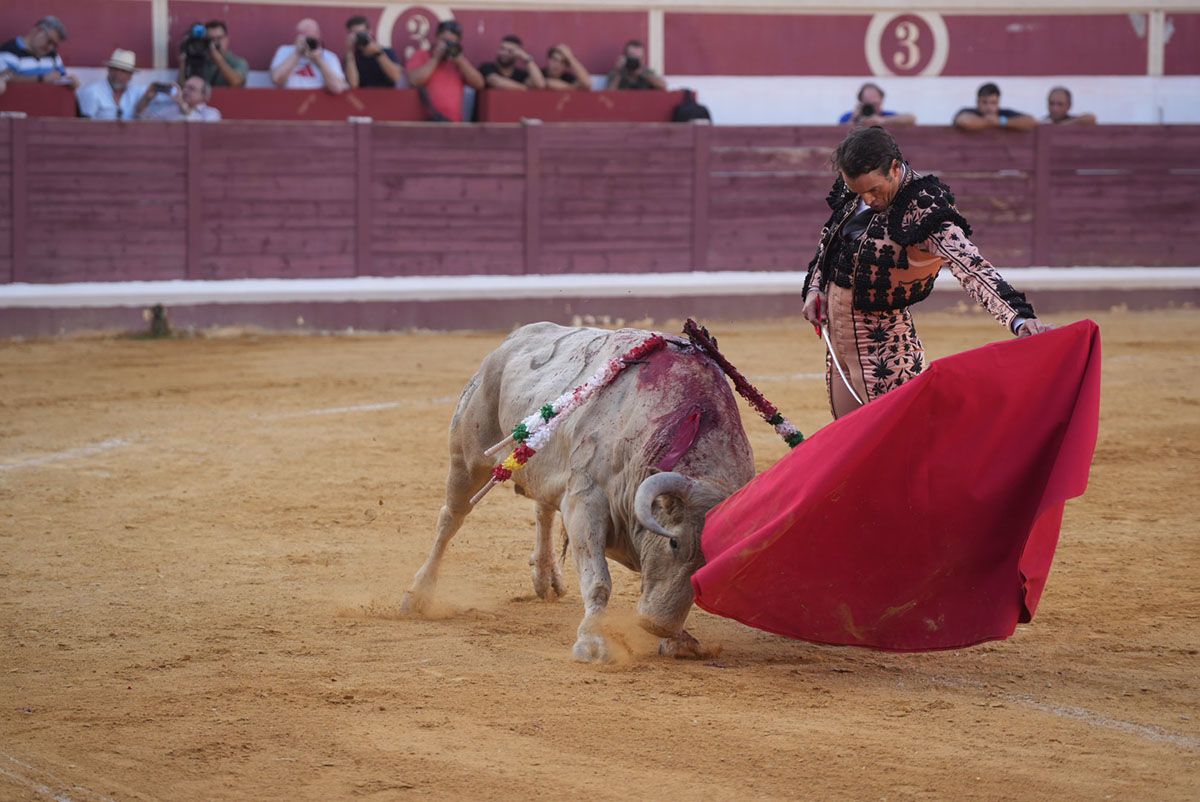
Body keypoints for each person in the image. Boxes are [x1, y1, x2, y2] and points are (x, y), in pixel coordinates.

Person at [801, 126, 1052, 419]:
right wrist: (815, 288)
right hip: (837, 344)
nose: (866, 199)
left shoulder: (923, 206)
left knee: (899, 447)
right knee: (848, 443)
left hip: (886, 350)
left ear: (894, 168)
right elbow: (829, 244)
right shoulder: (857, 187)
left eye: (874, 190)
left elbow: (969, 265)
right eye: (859, 191)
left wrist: (1018, 317)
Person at [405, 19, 484, 122]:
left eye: (451, 42)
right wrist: (436, 58)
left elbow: (479, 84)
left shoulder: (459, 62)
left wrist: (460, 61)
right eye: (444, 41)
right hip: (425, 123)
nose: (447, 45)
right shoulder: (422, 55)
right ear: (437, 38)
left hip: (452, 124)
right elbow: (414, 80)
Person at [269, 18, 347, 94]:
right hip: (290, 99)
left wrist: (320, 60)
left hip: (318, 101)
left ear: (318, 35)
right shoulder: (285, 51)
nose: (308, 40)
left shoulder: (329, 57)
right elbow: (277, 80)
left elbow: (337, 88)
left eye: (312, 35)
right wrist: (297, 53)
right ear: (297, 36)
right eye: (304, 34)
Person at [0, 16, 78, 88]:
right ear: (37, 31)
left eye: (55, 45)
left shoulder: (53, 55)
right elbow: (5, 78)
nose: (51, 48)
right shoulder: (8, 51)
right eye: (49, 41)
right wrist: (41, 79)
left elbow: (61, 77)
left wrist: (70, 82)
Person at [178, 20, 247, 89]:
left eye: (219, 38)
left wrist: (217, 58)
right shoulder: (198, 61)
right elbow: (183, 88)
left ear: (227, 39)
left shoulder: (238, 62)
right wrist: (183, 63)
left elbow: (237, 82)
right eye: (211, 39)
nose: (215, 42)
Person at [77, 49, 143, 120]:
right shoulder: (92, 92)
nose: (118, 74)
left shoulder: (135, 93)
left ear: (130, 76)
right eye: (115, 69)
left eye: (123, 71)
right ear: (108, 70)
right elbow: (85, 126)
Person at [344, 15, 402, 89]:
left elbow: (396, 77)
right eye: (355, 34)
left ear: (369, 32)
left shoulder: (387, 52)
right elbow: (353, 84)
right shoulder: (351, 57)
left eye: (362, 33)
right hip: (362, 97)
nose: (359, 37)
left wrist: (378, 53)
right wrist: (349, 51)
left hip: (387, 96)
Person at [953, 82, 1036, 132]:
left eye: (993, 103)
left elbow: (1031, 121)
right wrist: (992, 122)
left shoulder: (1004, 114)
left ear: (998, 103)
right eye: (984, 102)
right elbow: (964, 121)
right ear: (977, 103)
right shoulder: (969, 111)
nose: (988, 107)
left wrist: (1002, 121)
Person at [135, 76, 221, 121]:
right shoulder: (172, 108)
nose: (185, 91)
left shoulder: (211, 113)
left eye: (191, 88)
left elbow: (201, 128)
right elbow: (142, 118)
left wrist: (181, 103)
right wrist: (146, 98)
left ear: (205, 96)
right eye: (185, 87)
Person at [479, 35, 545, 90]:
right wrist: (524, 88)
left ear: (518, 54)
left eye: (510, 51)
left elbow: (539, 84)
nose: (504, 53)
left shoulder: (520, 74)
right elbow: (495, 81)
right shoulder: (487, 67)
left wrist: (526, 58)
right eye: (502, 49)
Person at [838, 82, 915, 127]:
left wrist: (883, 121)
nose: (872, 107)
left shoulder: (888, 116)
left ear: (881, 101)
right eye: (868, 104)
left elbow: (911, 118)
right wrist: (855, 120)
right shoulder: (848, 117)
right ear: (861, 103)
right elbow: (839, 132)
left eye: (875, 103)